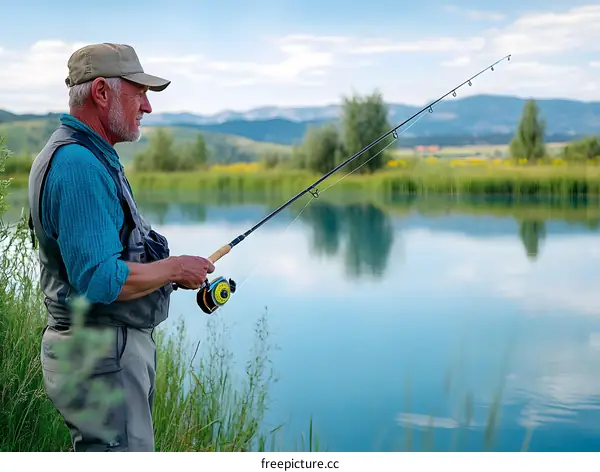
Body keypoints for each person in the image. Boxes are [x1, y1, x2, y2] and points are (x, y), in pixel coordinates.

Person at [27, 42, 215, 452]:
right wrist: (173, 268)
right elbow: (99, 279)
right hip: (103, 358)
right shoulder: (78, 165)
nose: (147, 107)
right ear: (101, 92)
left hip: (101, 353)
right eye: (139, 93)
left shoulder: (82, 155)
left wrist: (166, 273)